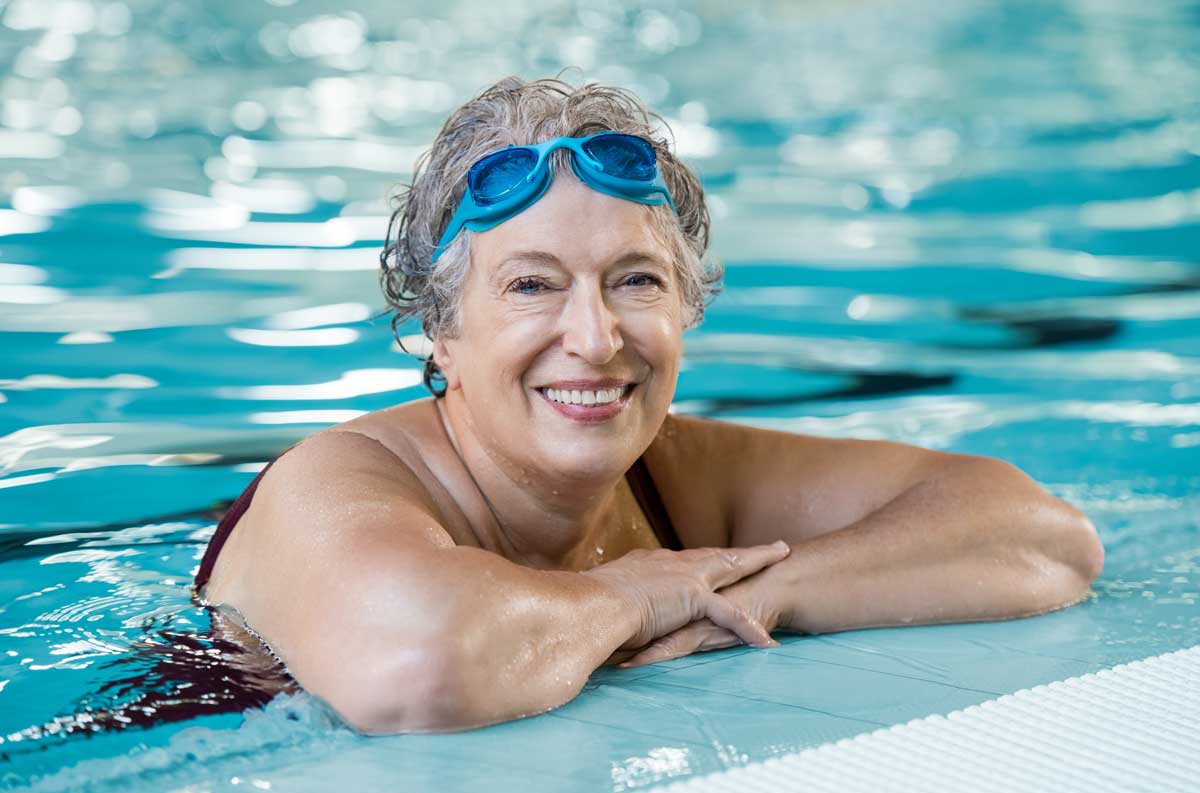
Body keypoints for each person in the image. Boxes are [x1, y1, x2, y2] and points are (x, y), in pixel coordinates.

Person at [193, 76, 1104, 735]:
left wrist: (765, 592)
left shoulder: (670, 475)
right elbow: (426, 668)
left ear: (686, 307)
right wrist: (633, 594)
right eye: (530, 287)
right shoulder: (338, 482)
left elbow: (1041, 538)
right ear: (440, 331)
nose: (594, 338)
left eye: (634, 280)